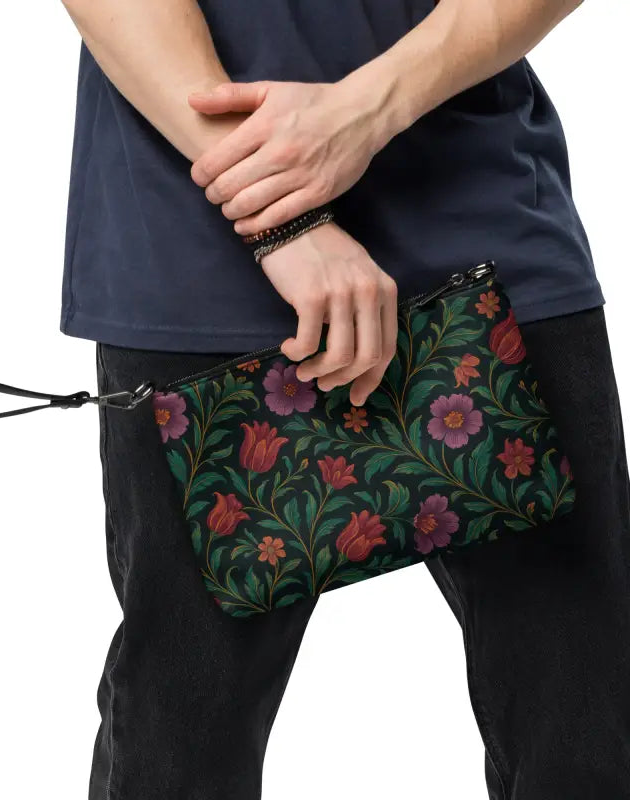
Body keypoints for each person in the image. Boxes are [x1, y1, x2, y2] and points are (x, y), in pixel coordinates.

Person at [58, 0, 630, 797]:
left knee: (587, 717)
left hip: (478, 212)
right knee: (184, 732)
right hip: (196, 221)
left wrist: (365, 110)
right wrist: (279, 220)